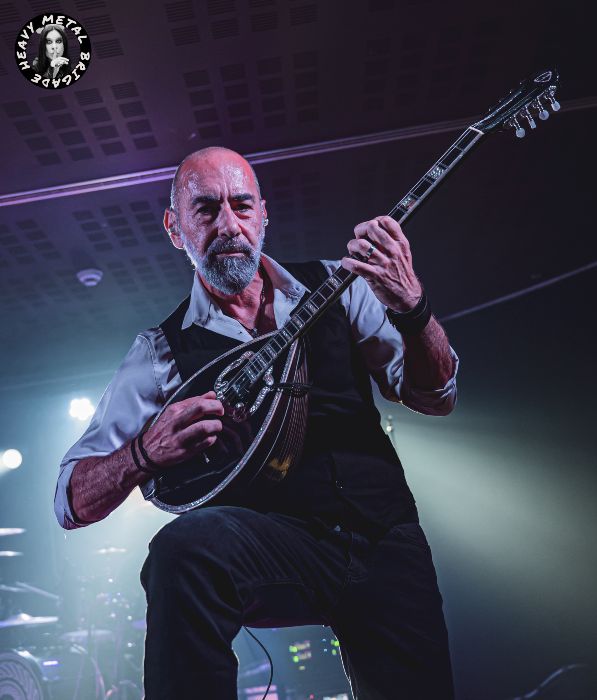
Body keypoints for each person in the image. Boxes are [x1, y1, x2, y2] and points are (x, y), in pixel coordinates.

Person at [55, 146, 459, 699]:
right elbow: (70, 499)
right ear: (175, 228)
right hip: (276, 546)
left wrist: (413, 309)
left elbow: (436, 397)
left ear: (263, 215)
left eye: (241, 206)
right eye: (205, 209)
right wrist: (143, 453)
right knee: (184, 550)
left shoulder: (339, 286)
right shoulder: (160, 352)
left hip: (383, 535)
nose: (228, 225)